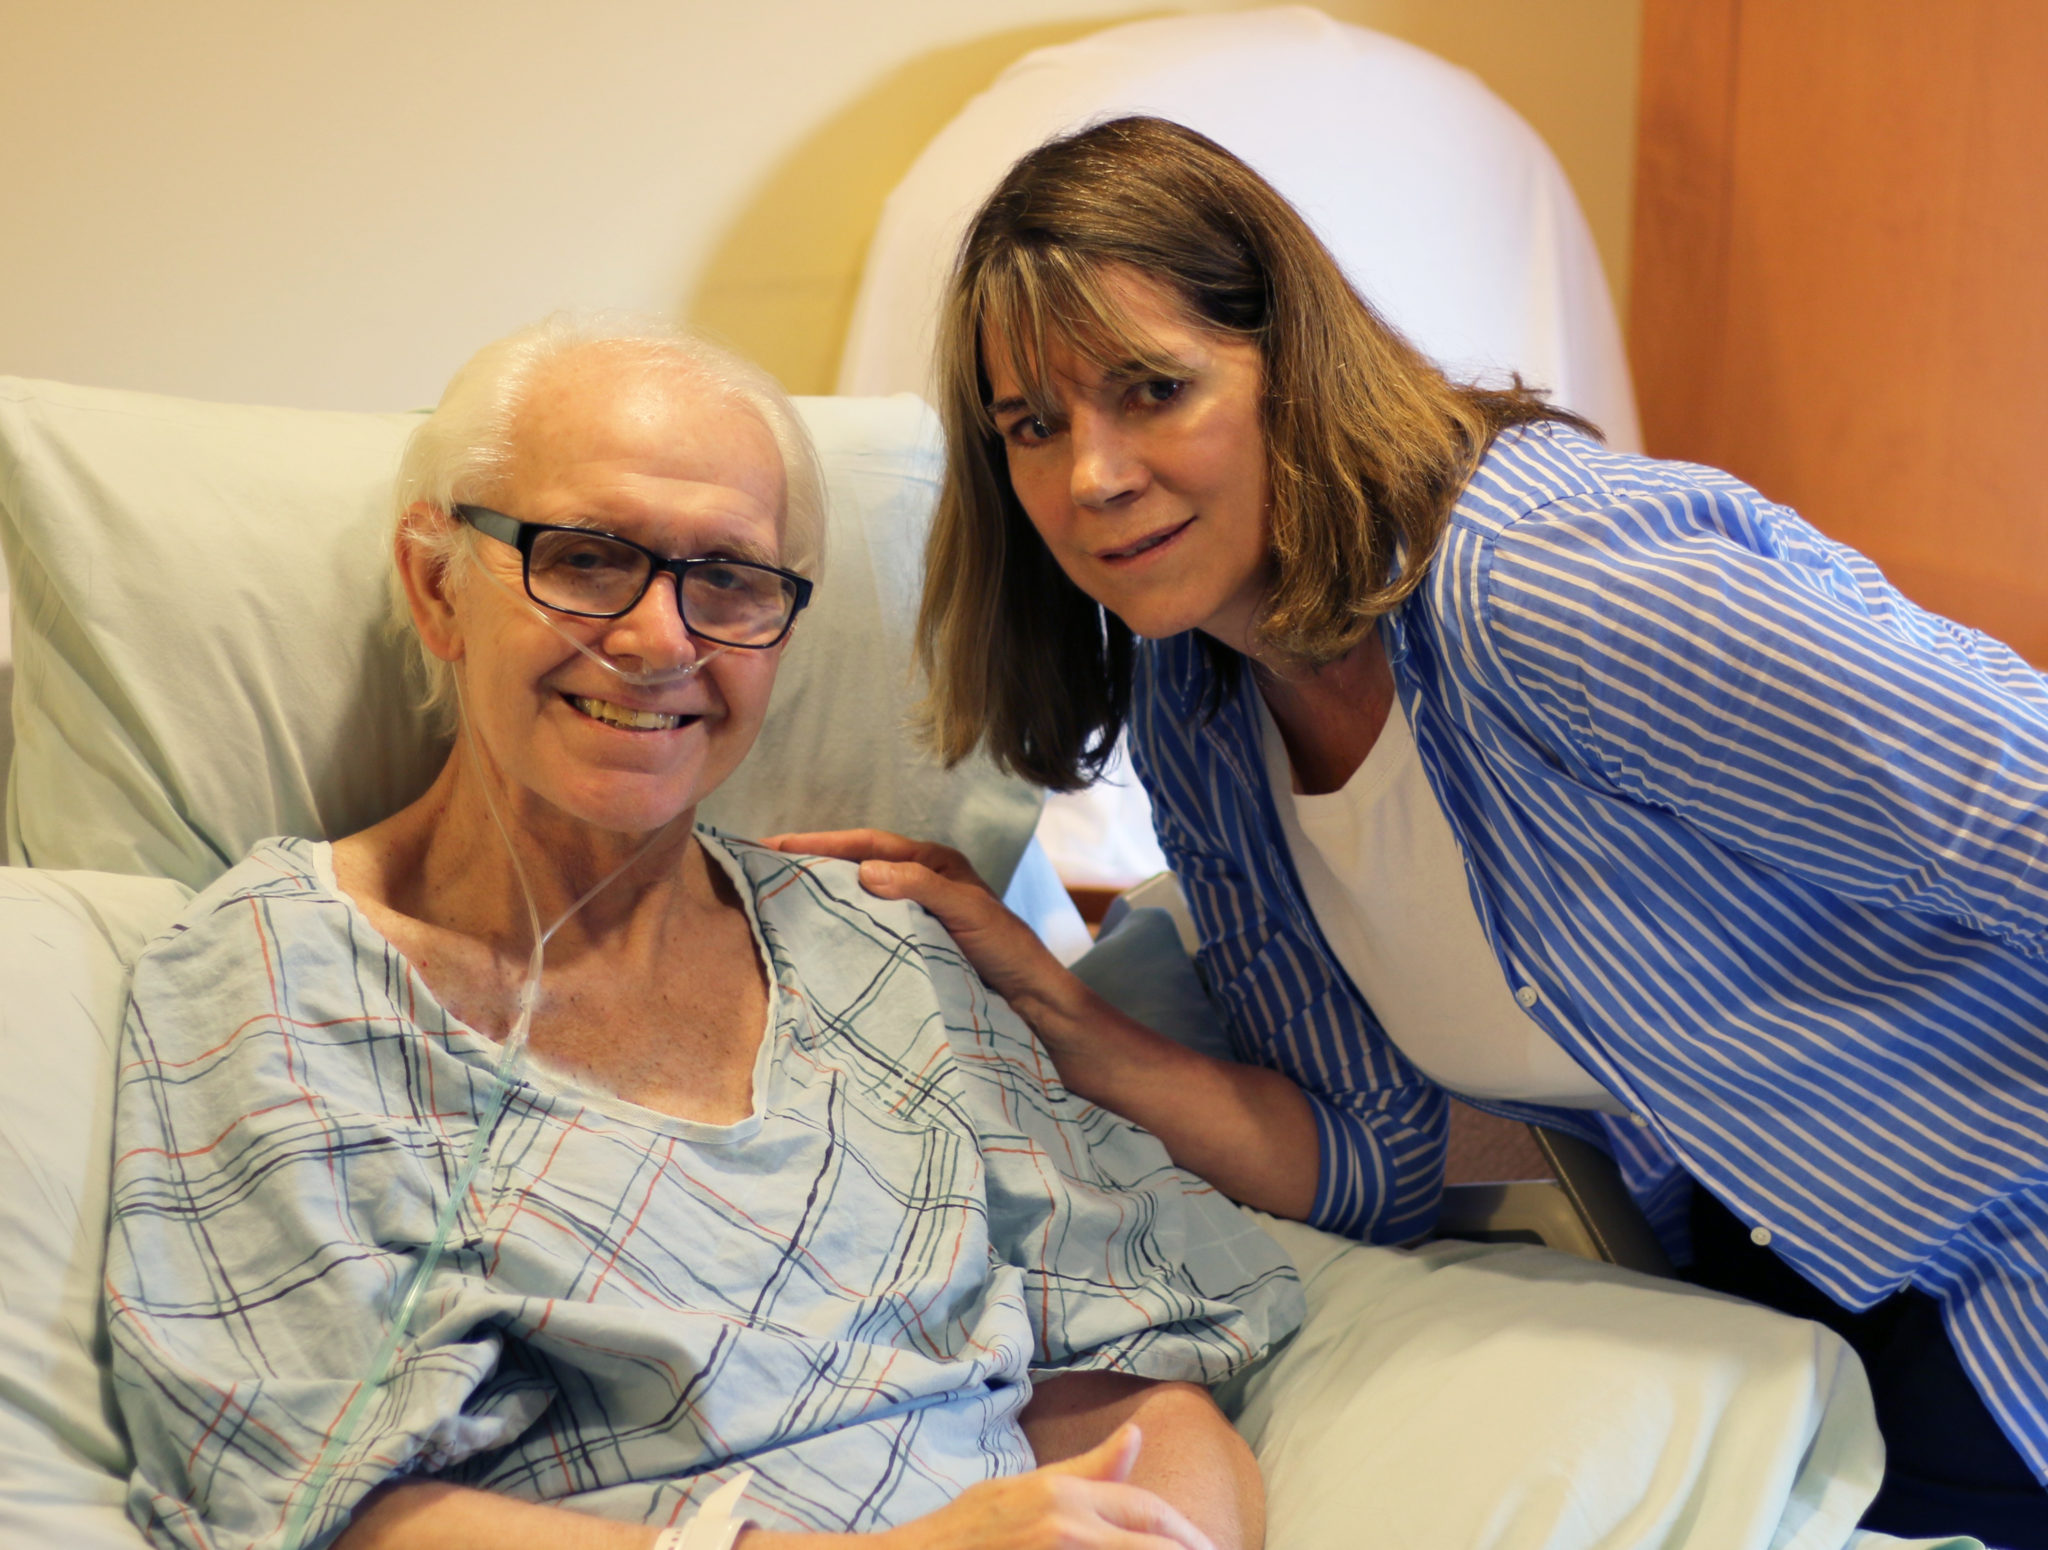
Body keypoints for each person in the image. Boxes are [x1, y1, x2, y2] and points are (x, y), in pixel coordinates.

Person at [771, 117, 2048, 1546]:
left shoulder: (1546, 588)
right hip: (1791, 1276)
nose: (1092, 476)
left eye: (1154, 389)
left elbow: (2026, 805)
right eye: (1034, 425)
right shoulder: (1204, 705)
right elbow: (1380, 1153)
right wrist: (1058, 1014)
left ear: (1291, 366)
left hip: (2003, 1252)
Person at [101, 316, 1301, 1550]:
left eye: (729, 577)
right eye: (582, 558)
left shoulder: (877, 948)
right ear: (435, 584)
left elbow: (1138, 1378)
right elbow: (316, 1505)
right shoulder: (282, 972)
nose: (661, 639)